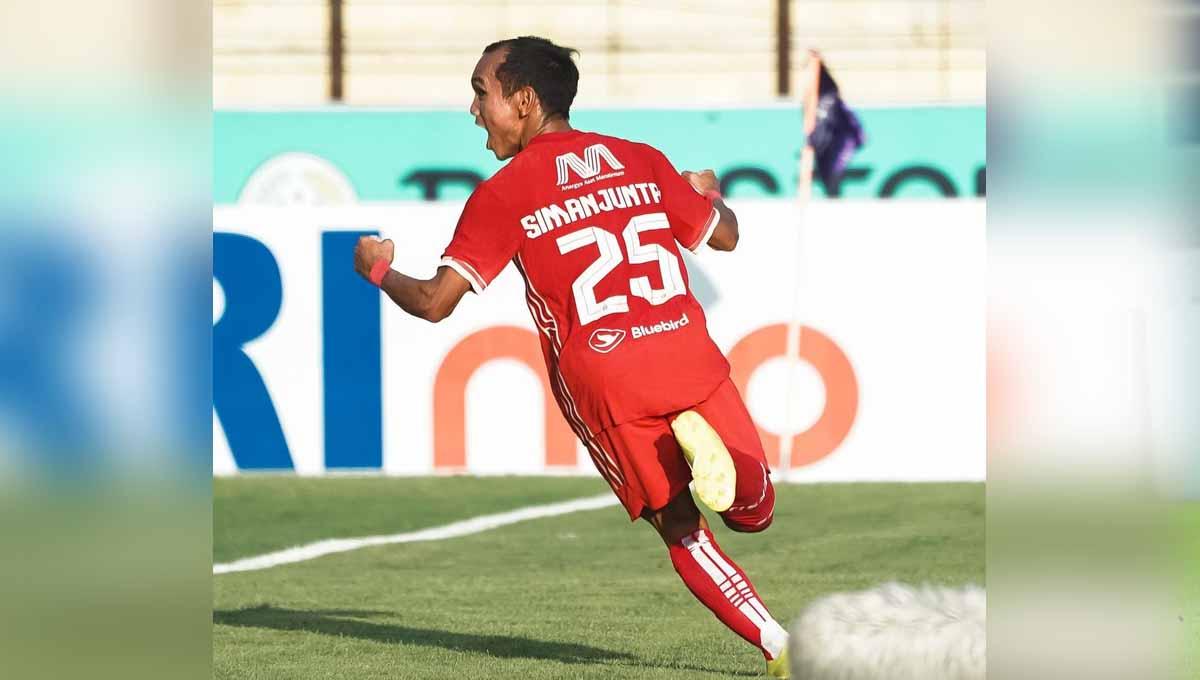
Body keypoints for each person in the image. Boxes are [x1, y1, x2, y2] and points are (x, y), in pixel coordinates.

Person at [353, 36, 790, 678]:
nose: (474, 110)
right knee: (756, 513)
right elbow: (724, 235)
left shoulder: (505, 192)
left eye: (482, 93)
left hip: (608, 379)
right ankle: (732, 479)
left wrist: (378, 269)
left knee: (681, 528)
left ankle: (780, 645)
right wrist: (710, 191)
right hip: (685, 352)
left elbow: (432, 302)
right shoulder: (639, 158)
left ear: (524, 101)